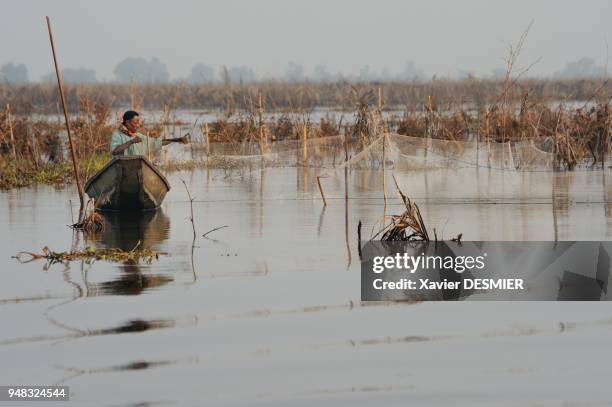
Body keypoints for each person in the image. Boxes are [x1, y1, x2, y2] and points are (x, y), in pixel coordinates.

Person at [110, 110, 189, 156]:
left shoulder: (138, 136)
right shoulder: (117, 135)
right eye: (135, 122)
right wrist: (131, 142)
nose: (138, 125)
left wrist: (177, 140)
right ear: (127, 122)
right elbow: (114, 151)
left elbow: (157, 142)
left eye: (139, 123)